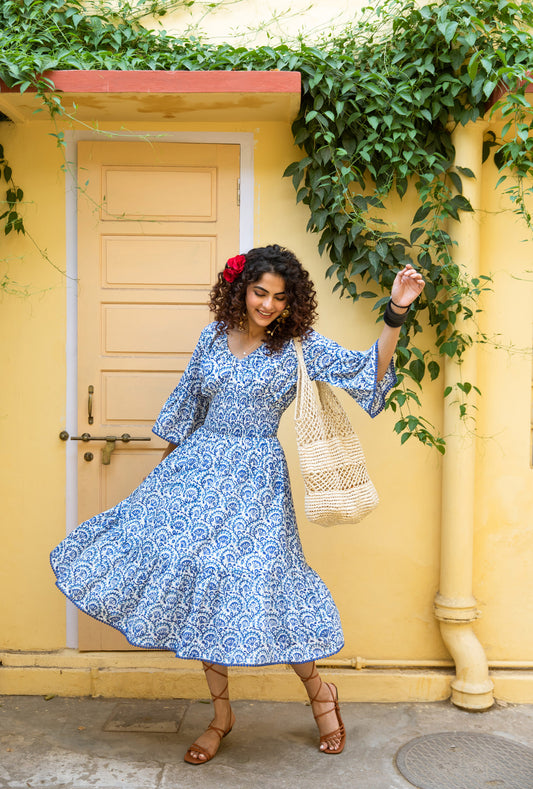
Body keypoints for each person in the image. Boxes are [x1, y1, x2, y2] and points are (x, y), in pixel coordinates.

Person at [50, 244, 424, 764]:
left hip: (257, 480)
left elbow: (368, 374)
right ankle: (221, 714)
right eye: (259, 292)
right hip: (195, 474)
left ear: (292, 302)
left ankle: (321, 694)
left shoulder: (298, 346)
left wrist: (396, 311)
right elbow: (184, 408)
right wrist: (159, 487)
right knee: (202, 588)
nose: (267, 305)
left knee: (271, 585)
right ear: (241, 290)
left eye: (278, 297)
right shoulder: (211, 338)